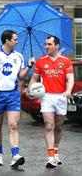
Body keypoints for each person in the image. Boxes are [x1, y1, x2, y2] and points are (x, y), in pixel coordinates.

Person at [0, 30, 35, 168]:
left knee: (13, 125)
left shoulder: (19, 56)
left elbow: (21, 76)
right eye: (15, 39)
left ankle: (15, 155)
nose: (17, 41)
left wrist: (29, 66)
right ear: (7, 41)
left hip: (13, 95)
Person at [27, 36, 74, 168]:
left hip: (61, 97)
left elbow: (70, 78)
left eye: (49, 44)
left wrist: (69, 90)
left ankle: (56, 151)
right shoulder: (41, 61)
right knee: (49, 125)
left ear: (57, 45)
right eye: (46, 44)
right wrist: (30, 90)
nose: (46, 46)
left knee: (58, 126)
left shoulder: (65, 61)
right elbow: (34, 78)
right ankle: (51, 156)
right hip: (46, 96)